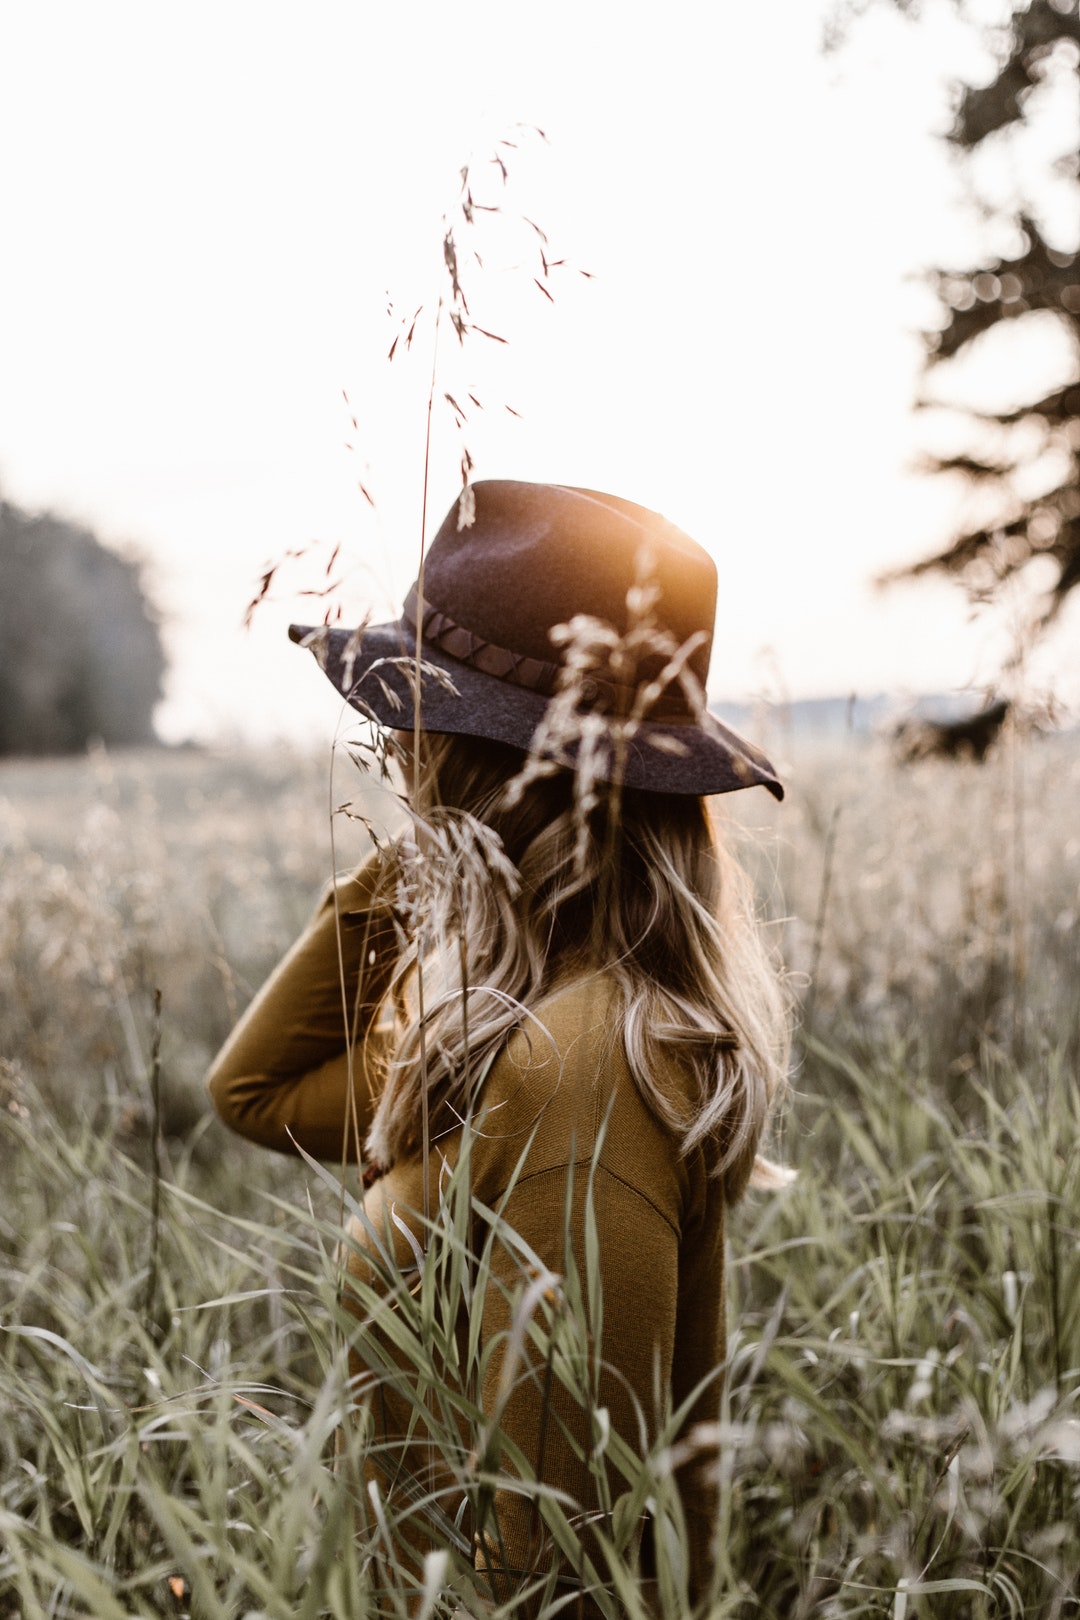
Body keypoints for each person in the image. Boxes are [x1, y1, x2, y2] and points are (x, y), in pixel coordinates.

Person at [206, 479, 790, 1612]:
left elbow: (565, 1569)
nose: (390, 743)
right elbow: (257, 1091)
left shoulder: (580, 1071)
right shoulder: (506, 1033)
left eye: (415, 723)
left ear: (480, 759)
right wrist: (433, 859)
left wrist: (444, 831)